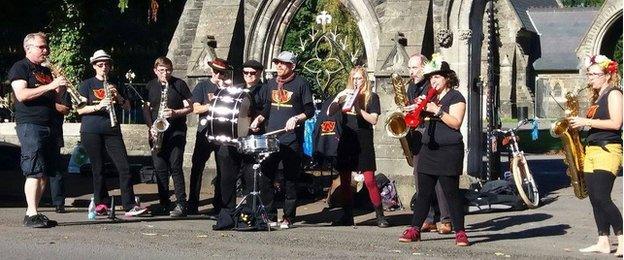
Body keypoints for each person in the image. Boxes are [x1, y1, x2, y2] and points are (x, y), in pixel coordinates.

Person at [399, 54, 469, 246]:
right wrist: (415, 110)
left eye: (437, 77)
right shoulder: (430, 97)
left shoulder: (456, 97)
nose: (433, 81)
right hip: (429, 148)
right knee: (424, 192)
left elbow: (455, 123)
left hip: (449, 150)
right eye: (431, 78)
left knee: (451, 193)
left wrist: (437, 110)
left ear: (447, 78)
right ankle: (415, 229)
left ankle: (460, 232)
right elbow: (418, 121)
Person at [76, 50, 148, 217]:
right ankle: (101, 203)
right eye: (100, 65)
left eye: (107, 64)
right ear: (94, 66)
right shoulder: (86, 84)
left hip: (112, 129)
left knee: (124, 167)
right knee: (98, 168)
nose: (104, 68)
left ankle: (129, 205)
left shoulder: (116, 83)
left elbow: (128, 108)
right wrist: (99, 105)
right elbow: (80, 110)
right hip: (91, 130)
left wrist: (119, 97)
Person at [250, 51, 314, 229]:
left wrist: (297, 118)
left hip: (291, 139)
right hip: (272, 138)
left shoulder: (301, 84)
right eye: (277, 62)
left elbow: (310, 110)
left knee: (290, 179)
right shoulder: (271, 83)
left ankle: (288, 217)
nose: (278, 65)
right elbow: (267, 109)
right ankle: (269, 215)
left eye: (283, 63)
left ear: (292, 66)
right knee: (267, 177)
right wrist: (259, 119)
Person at [9, 32, 66, 228]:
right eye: (41, 47)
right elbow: (22, 94)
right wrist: (51, 85)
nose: (46, 50)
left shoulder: (46, 71)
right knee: (33, 170)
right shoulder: (20, 67)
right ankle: (31, 212)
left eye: (46, 46)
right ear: (29, 48)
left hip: (50, 124)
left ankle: (34, 212)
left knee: (44, 172)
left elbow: (56, 100)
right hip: (30, 124)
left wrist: (60, 89)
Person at [569, 54, 622, 256]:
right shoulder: (597, 96)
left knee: (602, 196)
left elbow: (616, 123)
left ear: (607, 75)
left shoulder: (614, 94)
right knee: (594, 198)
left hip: (608, 149)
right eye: (589, 74)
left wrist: (586, 122)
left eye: (594, 74)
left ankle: (622, 238)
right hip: (592, 149)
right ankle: (603, 241)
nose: (590, 78)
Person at [327, 66, 389, 227]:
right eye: (353, 78)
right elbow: (330, 112)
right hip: (347, 139)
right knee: (345, 179)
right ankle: (347, 215)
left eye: (359, 78)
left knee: (369, 180)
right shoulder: (345, 94)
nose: (356, 81)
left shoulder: (372, 97)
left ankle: (380, 215)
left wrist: (358, 109)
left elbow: (374, 120)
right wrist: (338, 99)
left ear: (365, 79)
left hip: (363, 139)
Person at [406, 54, 452, 234]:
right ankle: (428, 217)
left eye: (415, 68)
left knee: (440, 179)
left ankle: (446, 219)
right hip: (418, 134)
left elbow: (439, 108)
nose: (411, 72)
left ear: (424, 67)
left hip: (434, 132)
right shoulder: (411, 86)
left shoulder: (431, 85)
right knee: (420, 177)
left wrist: (422, 106)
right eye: (409, 68)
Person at [144, 57, 193, 217]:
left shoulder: (179, 85)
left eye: (168, 70)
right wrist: (151, 126)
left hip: (176, 132)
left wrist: (175, 112)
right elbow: (146, 109)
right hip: (156, 132)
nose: (165, 74)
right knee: (160, 169)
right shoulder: (150, 85)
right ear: (155, 70)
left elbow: (191, 107)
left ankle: (181, 204)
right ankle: (164, 203)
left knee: (176, 167)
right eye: (162, 70)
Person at [188, 58, 231, 215]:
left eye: (222, 72)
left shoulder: (228, 88)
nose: (218, 75)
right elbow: (196, 108)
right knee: (197, 168)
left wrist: (227, 90)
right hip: (205, 132)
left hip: (222, 133)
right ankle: (192, 203)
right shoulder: (203, 86)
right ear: (211, 71)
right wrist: (212, 104)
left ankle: (219, 205)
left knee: (223, 169)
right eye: (216, 71)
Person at [50, 82, 71, 214]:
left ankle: (59, 203)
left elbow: (66, 109)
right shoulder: (44, 90)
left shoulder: (64, 93)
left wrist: (48, 105)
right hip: (39, 130)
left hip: (55, 132)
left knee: (56, 170)